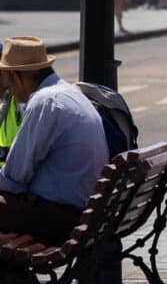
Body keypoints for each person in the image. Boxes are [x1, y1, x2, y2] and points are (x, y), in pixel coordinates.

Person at [0, 36, 108, 245]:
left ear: (18, 76)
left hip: (61, 216)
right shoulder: (66, 92)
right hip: (83, 212)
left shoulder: (44, 101)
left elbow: (15, 177)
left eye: (9, 82)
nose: (9, 91)